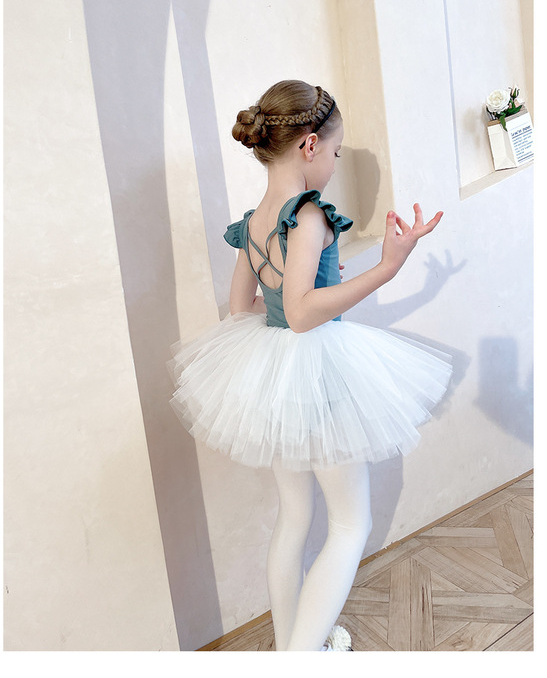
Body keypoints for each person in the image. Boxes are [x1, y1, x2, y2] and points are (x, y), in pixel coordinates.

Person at [167, 80, 452, 651]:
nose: (335, 164)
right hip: (320, 375)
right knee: (349, 524)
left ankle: (294, 647)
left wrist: (310, 292)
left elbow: (243, 308)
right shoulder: (309, 213)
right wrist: (389, 267)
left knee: (295, 518)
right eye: (337, 152)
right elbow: (301, 315)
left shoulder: (255, 220)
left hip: (276, 377)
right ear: (311, 145)